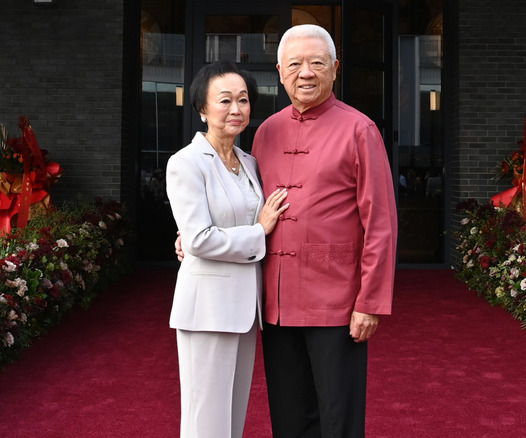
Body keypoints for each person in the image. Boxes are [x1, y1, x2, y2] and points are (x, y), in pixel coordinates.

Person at [252, 24, 398, 438]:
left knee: (338, 417)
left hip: (337, 300)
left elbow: (381, 224)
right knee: (289, 415)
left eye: (317, 63)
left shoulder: (360, 130)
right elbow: (246, 206)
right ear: (280, 71)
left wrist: (369, 302)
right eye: (295, 64)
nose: (306, 73)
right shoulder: (266, 132)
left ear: (335, 68)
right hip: (276, 300)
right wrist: (194, 238)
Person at [166, 59, 289, 438]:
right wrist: (259, 231)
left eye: (244, 100)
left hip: (245, 308)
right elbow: (200, 238)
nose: (236, 109)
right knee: (206, 417)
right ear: (202, 107)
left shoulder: (249, 162)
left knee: (234, 415)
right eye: (225, 101)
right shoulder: (185, 163)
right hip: (206, 309)